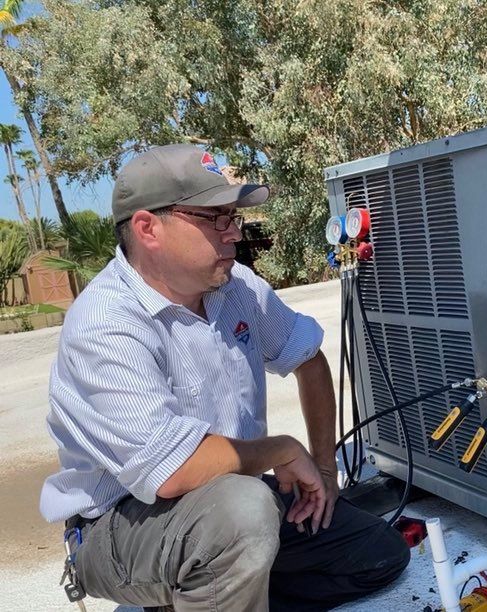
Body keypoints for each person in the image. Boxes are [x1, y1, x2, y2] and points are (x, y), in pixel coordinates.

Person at [39, 144, 410, 611]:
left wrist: (321, 467)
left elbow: (309, 361)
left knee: (378, 554)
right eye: (214, 217)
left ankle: (225, 591)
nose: (234, 233)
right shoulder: (106, 324)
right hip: (120, 524)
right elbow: (173, 470)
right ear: (148, 227)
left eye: (233, 216)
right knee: (245, 514)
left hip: (232, 498)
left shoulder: (237, 289)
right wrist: (282, 448)